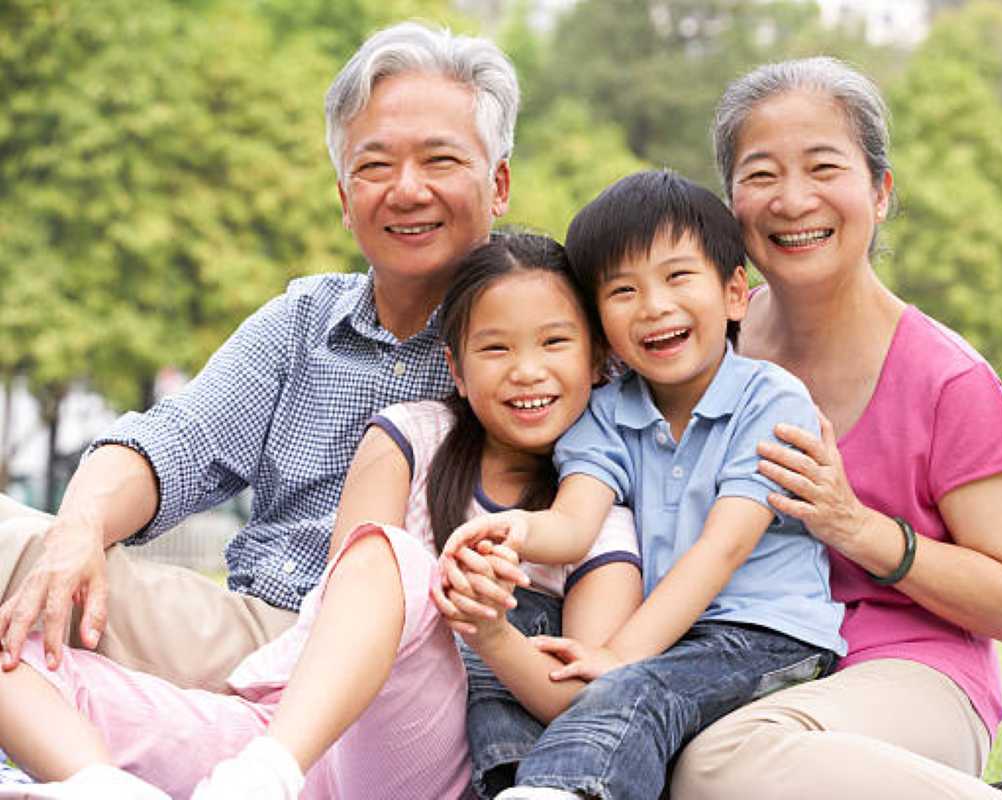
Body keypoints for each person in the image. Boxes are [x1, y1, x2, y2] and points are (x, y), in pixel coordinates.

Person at [0, 233, 644, 799]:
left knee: (396, 557)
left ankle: (268, 775)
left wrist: (490, 631)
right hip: (290, 730)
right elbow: (335, 608)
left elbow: (575, 696)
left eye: (555, 343)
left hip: (413, 760)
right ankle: (101, 786)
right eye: (496, 349)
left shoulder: (596, 516)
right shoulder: (409, 436)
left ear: (597, 359)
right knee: (15, 660)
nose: (527, 371)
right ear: (456, 367)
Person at [0, 21, 518, 695]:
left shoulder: (547, 334)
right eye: (374, 165)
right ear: (343, 198)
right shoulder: (301, 322)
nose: (407, 190)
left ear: (499, 184)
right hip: (257, 639)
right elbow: (175, 442)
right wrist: (78, 528)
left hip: (421, 676)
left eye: (440, 160)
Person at [667, 57, 1002, 800]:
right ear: (731, 203)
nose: (792, 200)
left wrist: (854, 525)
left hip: (909, 674)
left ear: (880, 192)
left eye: (824, 167)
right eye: (760, 175)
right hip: (743, 664)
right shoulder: (705, 344)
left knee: (716, 766)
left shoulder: (949, 381)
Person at [441, 170, 845, 800]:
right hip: (669, 642)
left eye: (678, 277)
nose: (654, 305)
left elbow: (724, 548)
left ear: (736, 292)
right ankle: (517, 785)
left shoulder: (770, 399)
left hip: (768, 640)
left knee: (633, 690)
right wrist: (514, 530)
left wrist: (624, 653)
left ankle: (561, 792)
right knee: (527, 646)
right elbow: (575, 523)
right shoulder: (607, 412)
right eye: (623, 289)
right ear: (600, 323)